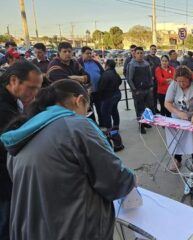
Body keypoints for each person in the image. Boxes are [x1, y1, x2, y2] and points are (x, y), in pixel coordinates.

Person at [0, 79, 135, 240]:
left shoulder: (23, 131)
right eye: (87, 108)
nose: (86, 114)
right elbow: (115, 180)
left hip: (30, 230)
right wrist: (131, 178)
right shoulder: (77, 126)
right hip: (73, 230)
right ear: (78, 100)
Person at [0, 61, 42, 240]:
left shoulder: (10, 100)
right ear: (14, 80)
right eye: (31, 88)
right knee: (7, 224)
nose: (34, 94)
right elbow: (16, 140)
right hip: (4, 181)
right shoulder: (3, 107)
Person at [165, 66, 193, 173]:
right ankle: (177, 160)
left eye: (184, 81)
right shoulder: (174, 84)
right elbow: (167, 103)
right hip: (178, 117)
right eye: (179, 81)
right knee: (178, 139)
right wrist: (178, 113)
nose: (181, 84)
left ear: (189, 79)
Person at [98, 59, 124, 151]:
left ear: (107, 65)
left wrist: (99, 96)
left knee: (106, 114)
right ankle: (116, 126)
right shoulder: (115, 73)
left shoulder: (105, 74)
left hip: (108, 97)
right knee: (114, 111)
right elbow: (120, 81)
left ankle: (110, 130)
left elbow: (101, 88)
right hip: (116, 95)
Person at [127, 47, 154, 134]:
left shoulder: (146, 63)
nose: (140, 55)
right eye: (138, 53)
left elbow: (150, 76)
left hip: (147, 90)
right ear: (134, 54)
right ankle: (141, 125)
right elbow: (129, 79)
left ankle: (146, 123)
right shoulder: (132, 64)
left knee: (147, 108)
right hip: (138, 91)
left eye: (141, 53)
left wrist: (151, 86)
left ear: (144, 54)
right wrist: (134, 90)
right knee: (139, 109)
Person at [79, 46, 105, 126]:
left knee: (100, 109)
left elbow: (103, 73)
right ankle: (93, 126)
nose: (89, 55)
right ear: (82, 54)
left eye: (90, 53)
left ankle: (102, 124)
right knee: (89, 111)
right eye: (87, 53)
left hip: (98, 91)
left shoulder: (96, 62)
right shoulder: (78, 64)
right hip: (86, 93)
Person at [144, 45, 161, 113]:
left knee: (155, 96)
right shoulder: (146, 58)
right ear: (150, 50)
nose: (153, 50)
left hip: (157, 80)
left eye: (155, 49)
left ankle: (155, 108)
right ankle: (150, 111)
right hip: (149, 80)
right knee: (149, 97)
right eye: (152, 49)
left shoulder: (157, 59)